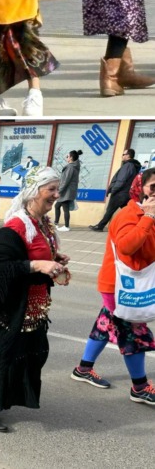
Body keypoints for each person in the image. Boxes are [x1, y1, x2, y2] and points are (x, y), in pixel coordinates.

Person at [0, 167, 70, 432]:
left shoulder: (43, 224)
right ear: (35, 192)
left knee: (28, 354)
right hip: (13, 306)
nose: (57, 195)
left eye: (58, 189)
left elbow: (35, 255)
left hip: (35, 305)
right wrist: (36, 265)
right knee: (3, 355)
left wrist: (53, 261)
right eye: (52, 190)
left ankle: (3, 395)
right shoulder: (14, 228)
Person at [70, 170, 155, 404]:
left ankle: (83, 369)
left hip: (130, 285)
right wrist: (148, 218)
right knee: (134, 335)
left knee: (104, 326)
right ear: (140, 188)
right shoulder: (130, 214)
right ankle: (139, 388)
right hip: (122, 287)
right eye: (153, 187)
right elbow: (128, 247)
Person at [91, 149, 142, 232]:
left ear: (128, 155)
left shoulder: (128, 165)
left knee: (110, 210)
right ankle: (138, 224)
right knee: (130, 210)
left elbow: (121, 180)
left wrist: (114, 190)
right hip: (126, 193)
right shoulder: (133, 165)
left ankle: (100, 226)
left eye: (123, 154)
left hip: (120, 193)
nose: (122, 156)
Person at [55, 150, 81, 232]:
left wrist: (59, 190)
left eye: (67, 156)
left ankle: (66, 226)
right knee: (57, 206)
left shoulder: (70, 167)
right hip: (67, 191)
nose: (66, 157)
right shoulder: (74, 166)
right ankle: (56, 223)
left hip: (66, 191)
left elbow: (66, 180)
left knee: (65, 208)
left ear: (71, 158)